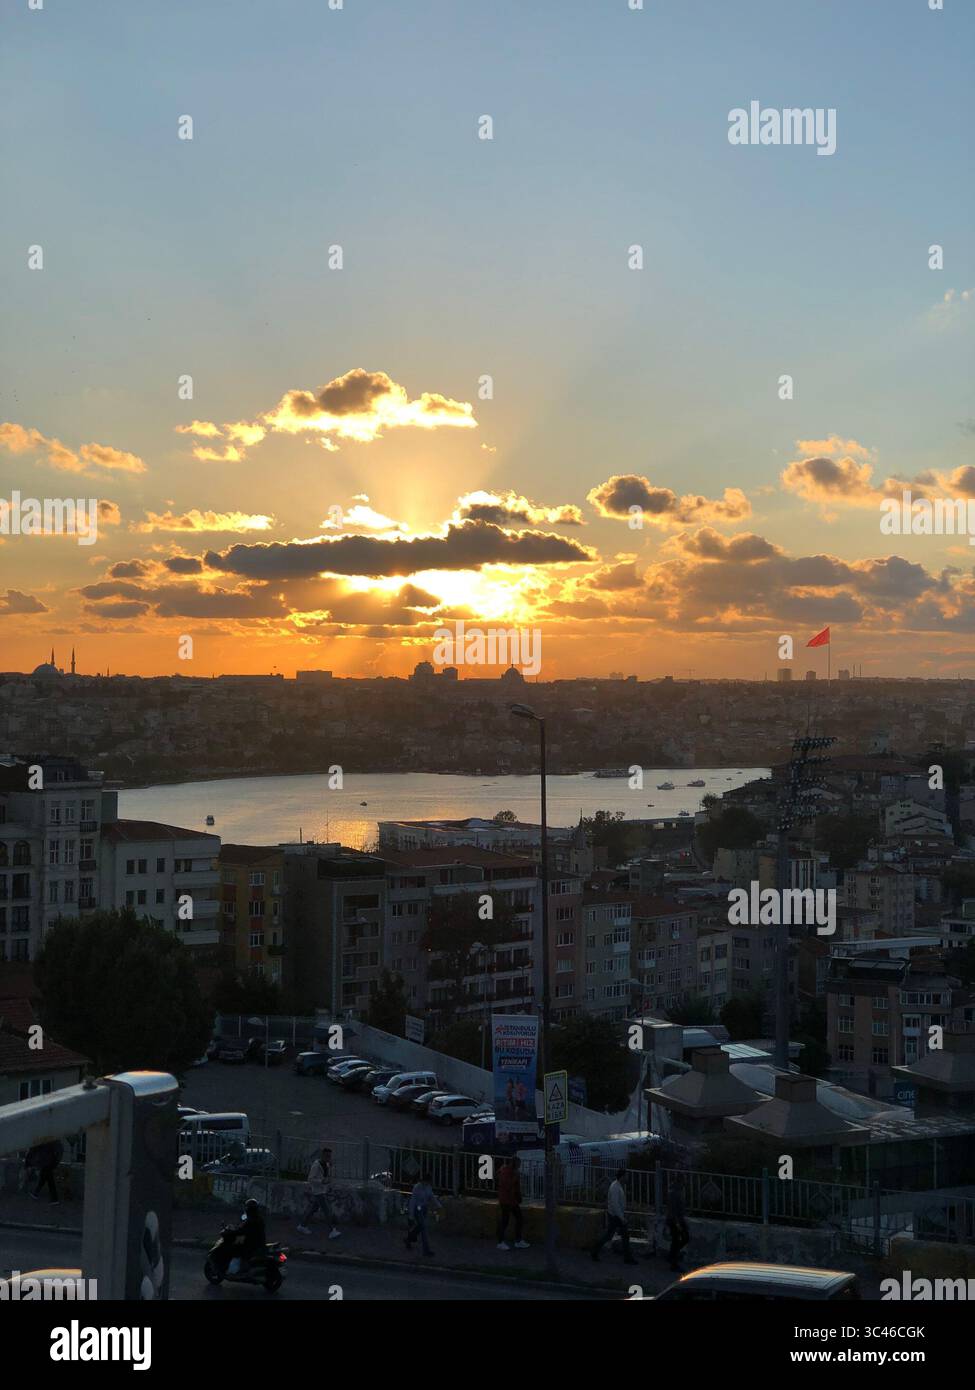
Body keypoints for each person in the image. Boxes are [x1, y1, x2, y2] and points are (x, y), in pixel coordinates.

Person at [591, 1166, 637, 1265]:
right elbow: (615, 1204)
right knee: (616, 1235)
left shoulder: (616, 1185)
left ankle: (595, 1250)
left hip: (615, 1215)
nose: (627, 1178)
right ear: (622, 1176)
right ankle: (627, 1257)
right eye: (626, 1176)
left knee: (615, 1235)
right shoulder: (615, 1187)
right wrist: (622, 1218)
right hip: (616, 1216)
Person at [296, 1145, 341, 1239]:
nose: (329, 1158)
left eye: (330, 1156)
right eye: (327, 1156)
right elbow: (310, 1179)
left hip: (322, 1190)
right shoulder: (316, 1165)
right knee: (327, 1210)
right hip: (318, 1191)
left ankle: (302, 1226)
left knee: (313, 1209)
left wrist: (330, 1169)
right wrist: (321, 1181)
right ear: (322, 1155)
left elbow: (327, 1176)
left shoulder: (327, 1164)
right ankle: (332, 1230)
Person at [223, 1198, 266, 1274]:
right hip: (258, 1241)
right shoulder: (257, 1218)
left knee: (236, 1248)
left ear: (249, 1209)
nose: (246, 1209)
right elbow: (244, 1228)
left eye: (247, 1207)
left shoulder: (252, 1220)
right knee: (239, 1243)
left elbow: (242, 1230)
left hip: (253, 1243)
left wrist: (233, 1231)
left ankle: (241, 1269)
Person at [404, 1173, 442, 1257]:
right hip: (418, 1209)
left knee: (420, 1227)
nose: (428, 1183)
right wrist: (411, 1216)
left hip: (424, 1208)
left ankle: (408, 1239)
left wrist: (439, 1206)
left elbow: (432, 1197)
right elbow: (413, 1201)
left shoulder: (428, 1187)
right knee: (423, 1228)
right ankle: (426, 1250)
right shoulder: (417, 1187)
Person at [496, 1156, 530, 1250]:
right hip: (506, 1200)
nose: (520, 1166)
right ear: (514, 1163)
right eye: (518, 1163)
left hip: (512, 1200)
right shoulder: (506, 1171)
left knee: (519, 1218)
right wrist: (515, 1176)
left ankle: (518, 1240)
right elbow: (507, 1185)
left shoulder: (510, 1171)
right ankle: (500, 1242)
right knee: (505, 1221)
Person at [26, 1139, 63, 1205]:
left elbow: (35, 1150)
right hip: (50, 1161)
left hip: (47, 1162)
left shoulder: (46, 1142)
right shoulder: (52, 1141)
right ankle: (36, 1193)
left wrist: (30, 1162)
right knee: (46, 1178)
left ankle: (53, 1199)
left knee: (48, 1179)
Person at [665, 1176, 690, 1272]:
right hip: (675, 1220)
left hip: (677, 1220)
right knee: (678, 1240)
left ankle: (672, 1256)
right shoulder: (674, 1193)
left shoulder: (676, 1191)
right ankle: (673, 1263)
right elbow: (673, 1210)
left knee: (679, 1240)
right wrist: (678, 1223)